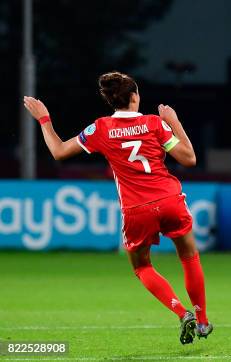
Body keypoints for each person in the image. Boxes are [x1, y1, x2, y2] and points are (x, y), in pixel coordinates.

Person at [23, 71, 212, 345]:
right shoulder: (154, 124)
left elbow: (59, 152)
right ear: (135, 96)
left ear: (111, 101)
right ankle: (203, 319)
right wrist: (175, 122)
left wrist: (44, 119)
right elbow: (189, 158)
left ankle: (181, 312)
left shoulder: (100, 128)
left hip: (137, 209)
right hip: (169, 199)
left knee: (142, 267)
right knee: (189, 256)